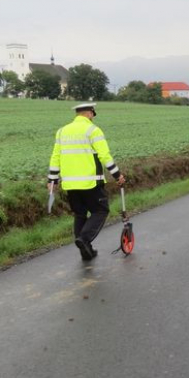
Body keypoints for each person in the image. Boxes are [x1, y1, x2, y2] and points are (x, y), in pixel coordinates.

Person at [48, 102, 125, 261]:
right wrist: (117, 175)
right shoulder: (93, 130)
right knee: (100, 211)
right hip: (91, 182)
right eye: (93, 114)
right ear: (90, 113)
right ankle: (84, 239)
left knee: (80, 214)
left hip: (70, 184)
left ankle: (86, 250)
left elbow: (55, 157)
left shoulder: (62, 131)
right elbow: (105, 156)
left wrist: (52, 179)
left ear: (77, 114)